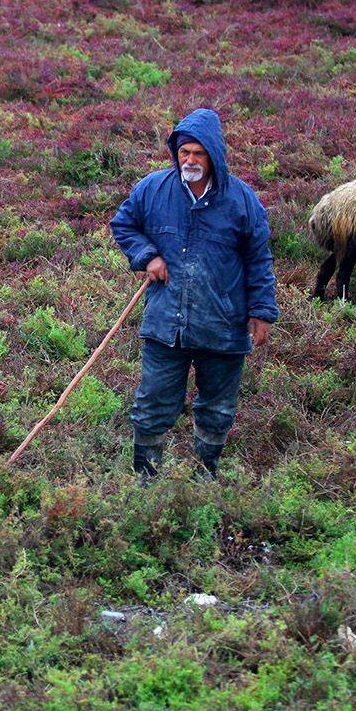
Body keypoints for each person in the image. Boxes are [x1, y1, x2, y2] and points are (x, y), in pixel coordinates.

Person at [110, 108, 278, 481]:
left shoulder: (242, 200)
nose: (189, 160)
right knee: (152, 404)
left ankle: (206, 474)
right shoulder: (153, 189)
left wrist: (263, 311)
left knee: (217, 408)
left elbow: (259, 258)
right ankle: (146, 480)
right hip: (166, 324)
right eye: (184, 152)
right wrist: (147, 256)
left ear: (214, 155)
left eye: (198, 153)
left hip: (223, 325)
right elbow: (123, 224)